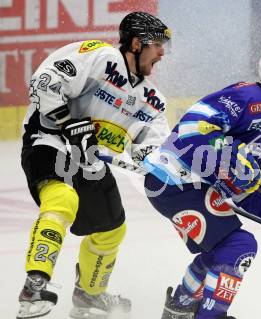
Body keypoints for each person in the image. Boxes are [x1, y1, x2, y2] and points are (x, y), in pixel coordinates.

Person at [142, 48, 261, 318]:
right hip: (174, 180)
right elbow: (190, 130)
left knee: (221, 251)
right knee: (239, 246)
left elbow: (249, 188)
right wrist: (227, 154)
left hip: (195, 187)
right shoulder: (246, 97)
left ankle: (178, 307)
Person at [17, 12, 172, 319]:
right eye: (157, 45)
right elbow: (44, 82)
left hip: (90, 161)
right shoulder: (99, 57)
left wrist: (160, 163)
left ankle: (89, 295)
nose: (162, 52)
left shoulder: (152, 101)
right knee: (62, 199)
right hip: (48, 139)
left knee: (111, 229)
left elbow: (154, 147)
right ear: (137, 43)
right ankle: (34, 286)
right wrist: (69, 123)